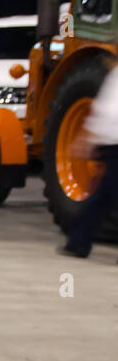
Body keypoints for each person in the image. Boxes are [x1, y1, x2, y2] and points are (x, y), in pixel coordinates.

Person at [60, 52, 118, 259]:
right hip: (111, 145)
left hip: (111, 145)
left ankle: (78, 243)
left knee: (102, 198)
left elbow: (107, 113)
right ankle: (78, 243)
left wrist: (87, 139)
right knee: (102, 198)